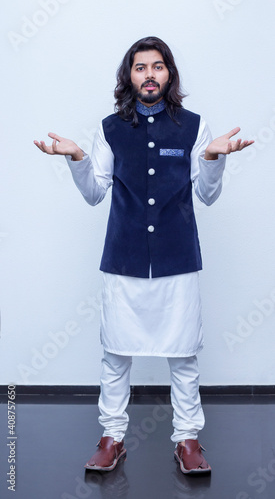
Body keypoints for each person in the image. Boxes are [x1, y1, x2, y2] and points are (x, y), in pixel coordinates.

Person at [34, 36, 254, 475]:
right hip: (125, 258)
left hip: (177, 259)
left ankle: (188, 439)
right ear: (129, 76)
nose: (149, 74)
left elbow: (208, 195)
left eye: (157, 66)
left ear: (168, 74)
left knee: (184, 355)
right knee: (115, 354)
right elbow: (96, 193)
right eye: (140, 67)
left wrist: (212, 158)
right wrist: (76, 157)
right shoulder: (109, 128)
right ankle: (111, 437)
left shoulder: (194, 126)